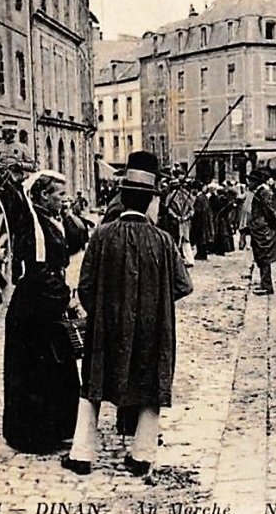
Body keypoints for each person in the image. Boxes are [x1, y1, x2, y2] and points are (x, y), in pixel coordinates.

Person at [63, 151, 192, 476]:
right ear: (151, 201)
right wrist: (154, 302)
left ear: (122, 197)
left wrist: (104, 312)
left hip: (106, 328)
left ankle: (81, 454)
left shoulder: (102, 236)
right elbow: (182, 285)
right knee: (150, 386)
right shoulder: (162, 241)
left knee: (92, 387)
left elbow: (86, 287)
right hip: (152, 328)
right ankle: (142, 455)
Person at [3, 170, 89, 454]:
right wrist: (66, 298)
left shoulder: (52, 221)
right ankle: (34, 435)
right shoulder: (33, 225)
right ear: (43, 196)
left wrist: (67, 214)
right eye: (59, 195)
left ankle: (56, 429)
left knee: (55, 369)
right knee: (36, 372)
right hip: (34, 307)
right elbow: (38, 271)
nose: (64, 201)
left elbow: (78, 239)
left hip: (46, 302)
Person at [248, 168, 276, 294]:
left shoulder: (264, 193)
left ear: (256, 182)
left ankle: (266, 285)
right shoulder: (260, 192)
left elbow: (270, 211)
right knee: (261, 256)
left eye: (251, 181)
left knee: (264, 256)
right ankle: (265, 283)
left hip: (262, 229)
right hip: (259, 228)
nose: (249, 183)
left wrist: (275, 225)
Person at [0, 119, 36, 184]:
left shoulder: (22, 147)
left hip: (17, 178)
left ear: (15, 132)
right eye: (5, 131)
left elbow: (33, 166)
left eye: (10, 131)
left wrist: (20, 165)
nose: (7, 134)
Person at [189, 180, 214, 261]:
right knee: (202, 237)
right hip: (205, 220)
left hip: (200, 221)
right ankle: (202, 253)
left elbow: (198, 211)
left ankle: (201, 253)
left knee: (200, 237)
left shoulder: (199, 198)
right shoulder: (204, 197)